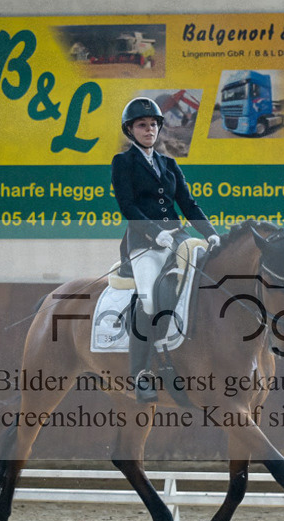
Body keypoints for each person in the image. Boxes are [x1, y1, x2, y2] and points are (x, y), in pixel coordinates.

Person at [111, 97, 220, 402]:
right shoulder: (123, 163)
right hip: (144, 244)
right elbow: (127, 205)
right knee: (147, 300)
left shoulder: (169, 163)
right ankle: (141, 374)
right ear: (131, 130)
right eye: (142, 125)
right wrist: (155, 232)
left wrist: (212, 234)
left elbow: (187, 204)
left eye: (153, 125)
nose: (149, 130)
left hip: (179, 239)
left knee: (198, 285)